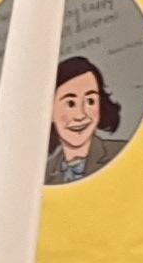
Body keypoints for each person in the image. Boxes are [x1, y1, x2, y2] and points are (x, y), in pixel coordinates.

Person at [44, 54, 126, 182]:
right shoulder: (43, 175)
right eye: (70, 104)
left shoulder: (122, 153)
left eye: (90, 101)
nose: (81, 115)